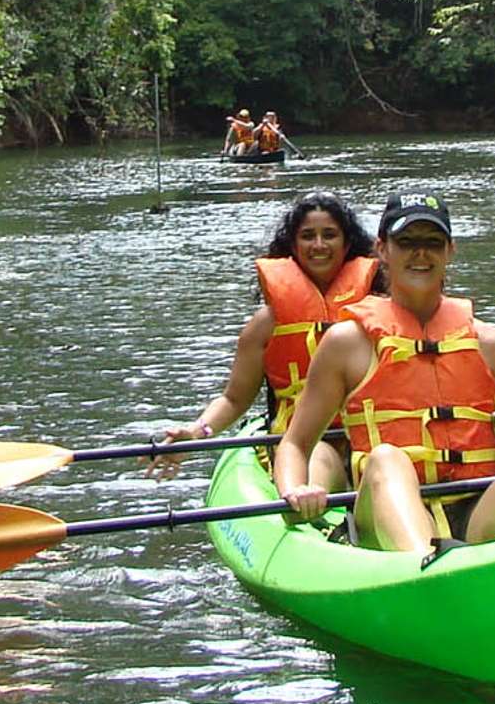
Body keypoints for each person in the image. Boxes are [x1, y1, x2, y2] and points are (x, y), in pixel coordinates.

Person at [274, 190, 495, 554]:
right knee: (386, 459)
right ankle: (427, 569)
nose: (420, 253)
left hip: (476, 512)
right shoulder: (346, 343)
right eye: (406, 242)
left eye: (432, 242)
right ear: (382, 249)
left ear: (450, 251)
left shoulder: (490, 343)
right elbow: (295, 444)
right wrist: (295, 490)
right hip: (382, 514)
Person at [152, 192, 383, 485]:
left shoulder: (378, 314)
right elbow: (234, 399)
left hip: (368, 435)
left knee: (382, 458)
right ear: (293, 246)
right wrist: (196, 433)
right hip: (303, 444)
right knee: (320, 457)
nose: (319, 245)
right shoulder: (266, 325)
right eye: (308, 236)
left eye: (330, 235)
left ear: (347, 244)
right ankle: (313, 512)